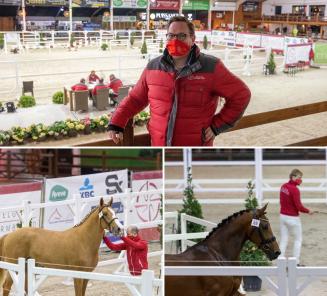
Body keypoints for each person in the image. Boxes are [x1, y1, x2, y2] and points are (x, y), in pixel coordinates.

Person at [108, 16, 251, 146]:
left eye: (182, 35)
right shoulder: (153, 66)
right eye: (171, 35)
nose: (175, 40)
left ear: (193, 38)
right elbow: (135, 99)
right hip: (160, 147)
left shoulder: (211, 67)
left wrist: (217, 125)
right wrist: (117, 121)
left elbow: (241, 95)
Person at [279, 169, 314, 265]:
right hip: (292, 218)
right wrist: (308, 211)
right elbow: (299, 206)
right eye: (299, 177)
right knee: (298, 239)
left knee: (284, 239)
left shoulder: (283, 187)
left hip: (282, 216)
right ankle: (296, 262)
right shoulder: (295, 190)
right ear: (293, 177)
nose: (300, 180)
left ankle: (280, 261)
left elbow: (282, 201)